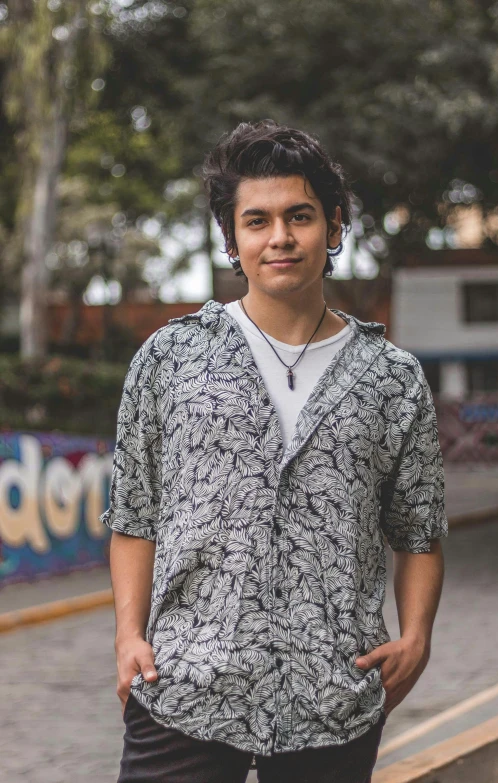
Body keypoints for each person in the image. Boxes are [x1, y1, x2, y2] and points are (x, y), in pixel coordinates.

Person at [100, 119, 448, 783]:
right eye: (256, 221)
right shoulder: (171, 359)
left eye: (301, 216)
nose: (280, 237)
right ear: (232, 239)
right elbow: (134, 516)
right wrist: (127, 635)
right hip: (186, 685)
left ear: (335, 226)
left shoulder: (391, 376)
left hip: (333, 695)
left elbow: (420, 527)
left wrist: (418, 636)